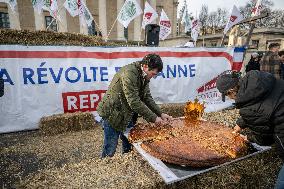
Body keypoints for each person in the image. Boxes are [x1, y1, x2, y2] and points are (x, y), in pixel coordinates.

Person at [216, 70, 284, 188]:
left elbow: (264, 139)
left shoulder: (248, 110)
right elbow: (262, 106)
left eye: (227, 95)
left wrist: (248, 137)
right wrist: (240, 124)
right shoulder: (259, 80)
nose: (230, 98)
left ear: (231, 91)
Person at [97, 54, 173, 158]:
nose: (153, 77)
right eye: (153, 74)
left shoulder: (144, 75)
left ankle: (127, 160)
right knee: (110, 146)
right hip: (113, 112)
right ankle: (105, 165)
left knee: (129, 142)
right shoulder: (129, 73)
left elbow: (147, 97)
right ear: (146, 66)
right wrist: (154, 118)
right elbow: (134, 102)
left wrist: (161, 113)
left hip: (127, 113)